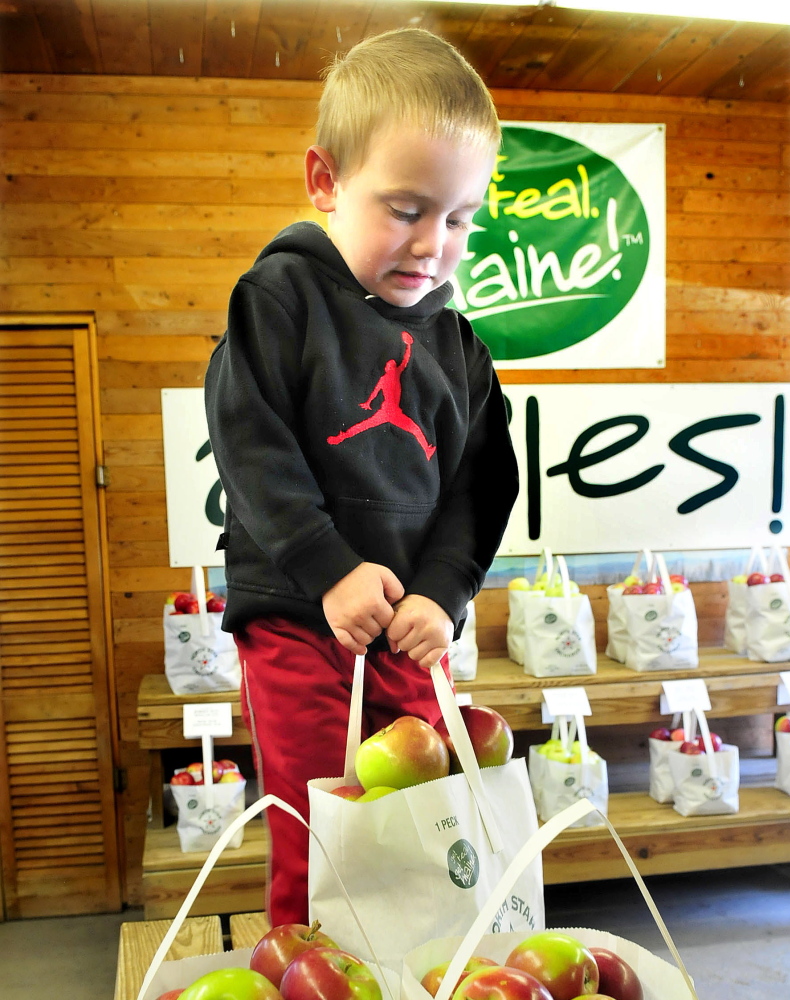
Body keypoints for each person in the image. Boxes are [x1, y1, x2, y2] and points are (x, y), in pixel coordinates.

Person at [204, 26, 519, 926]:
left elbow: (482, 488)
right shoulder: (279, 298)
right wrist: (329, 569)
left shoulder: (460, 347)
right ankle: (309, 967)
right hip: (304, 621)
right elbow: (249, 443)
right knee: (319, 825)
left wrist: (443, 592)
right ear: (325, 180)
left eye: (459, 218)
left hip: (413, 626)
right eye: (407, 208)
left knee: (429, 826)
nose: (432, 244)